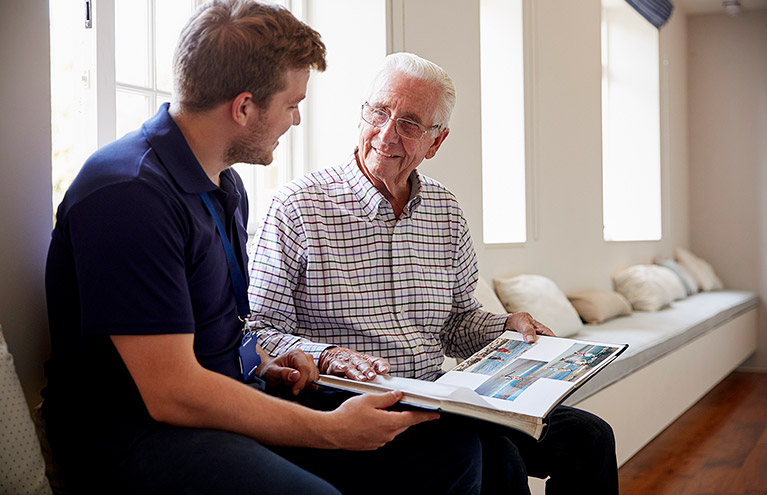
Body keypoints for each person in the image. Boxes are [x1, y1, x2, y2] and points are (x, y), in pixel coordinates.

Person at [42, 4, 485, 494]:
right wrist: (332, 431)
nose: (296, 121)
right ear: (245, 107)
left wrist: (261, 362)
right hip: (138, 434)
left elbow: (227, 329)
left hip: (225, 399)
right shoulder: (127, 193)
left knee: (450, 454)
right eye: (292, 103)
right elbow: (172, 394)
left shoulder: (225, 186)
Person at [248, 52, 620, 494]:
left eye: (409, 124)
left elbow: (458, 322)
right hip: (350, 401)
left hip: (441, 394)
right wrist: (331, 355)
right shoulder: (296, 206)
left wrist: (508, 326)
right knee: (493, 453)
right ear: (362, 113)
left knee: (590, 438)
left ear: (436, 142)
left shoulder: (445, 211)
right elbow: (260, 332)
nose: (387, 134)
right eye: (379, 112)